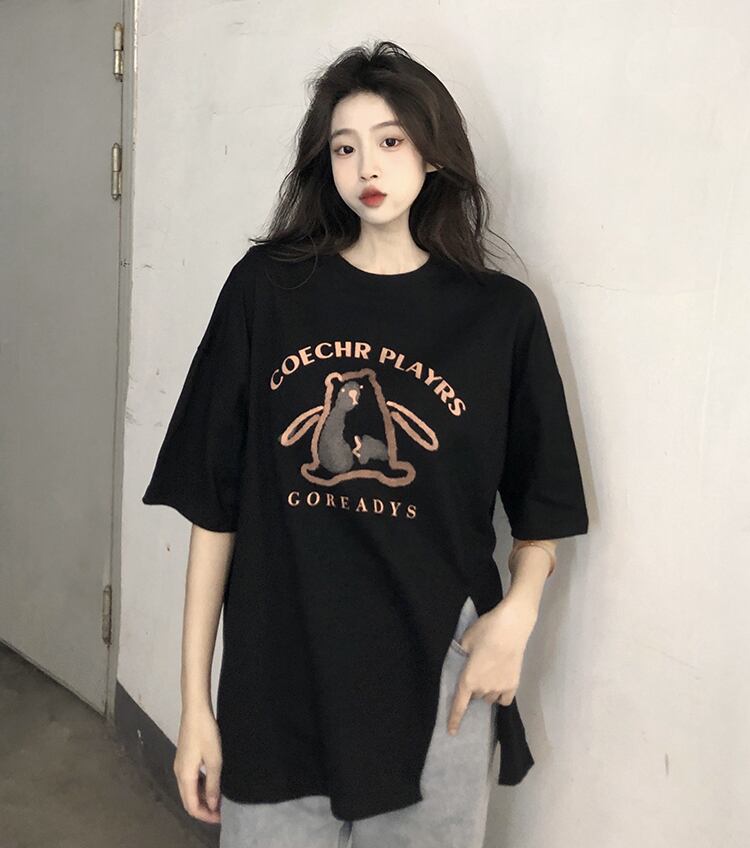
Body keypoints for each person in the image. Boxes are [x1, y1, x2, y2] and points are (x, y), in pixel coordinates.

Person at [142, 40, 589, 848]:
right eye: (344, 147)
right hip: (278, 681)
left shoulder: (499, 317)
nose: (366, 166)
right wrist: (195, 706)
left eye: (390, 140)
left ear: (434, 153)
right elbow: (215, 509)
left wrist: (516, 619)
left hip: (440, 681)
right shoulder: (268, 290)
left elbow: (544, 506)